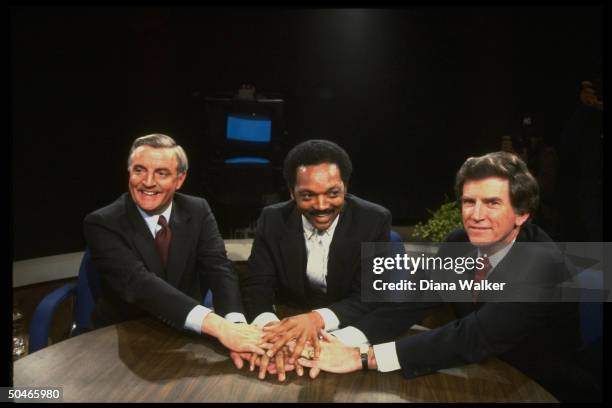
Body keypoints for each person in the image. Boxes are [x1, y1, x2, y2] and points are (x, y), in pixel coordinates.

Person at [298, 151, 594, 402]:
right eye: (468, 202)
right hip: (477, 369)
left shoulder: (544, 263)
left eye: (492, 203)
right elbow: (409, 302)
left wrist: (362, 358)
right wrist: (340, 341)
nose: (476, 215)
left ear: (522, 214)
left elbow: (475, 335)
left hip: (537, 386)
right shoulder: (459, 243)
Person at [234, 139, 429, 380]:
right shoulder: (272, 219)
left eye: (332, 193)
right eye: (307, 195)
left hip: (343, 328)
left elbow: (368, 296)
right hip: (288, 320)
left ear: (345, 188)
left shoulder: (374, 220)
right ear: (291, 193)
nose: (321, 205)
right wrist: (273, 334)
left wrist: (316, 320)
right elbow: (257, 286)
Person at [83, 133, 265, 355]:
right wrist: (218, 326)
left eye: (161, 173)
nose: (148, 182)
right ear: (129, 172)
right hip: (122, 338)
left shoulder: (197, 209)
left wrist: (236, 325)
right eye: (139, 170)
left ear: (179, 179)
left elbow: (219, 267)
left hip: (185, 333)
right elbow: (139, 284)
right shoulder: (102, 222)